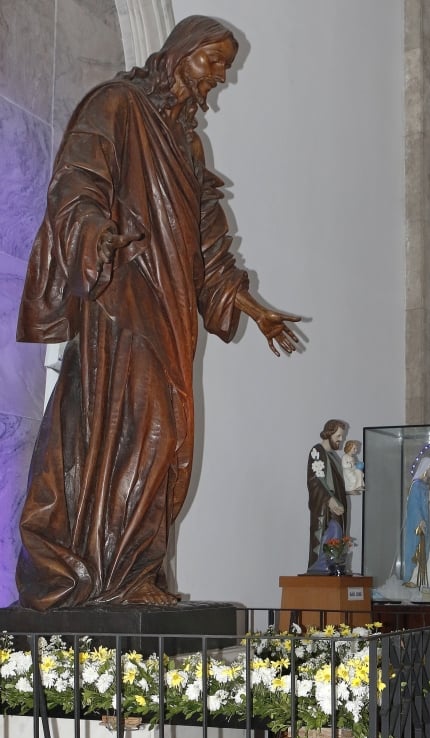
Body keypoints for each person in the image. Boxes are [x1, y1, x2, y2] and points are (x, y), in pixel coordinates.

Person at [15, 16, 301, 609]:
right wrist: (96, 234)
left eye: (225, 65)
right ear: (179, 54)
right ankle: (107, 576)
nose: (219, 77)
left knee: (168, 439)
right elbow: (78, 181)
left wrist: (257, 309)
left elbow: (209, 250)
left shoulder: (189, 145)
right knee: (146, 428)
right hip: (120, 300)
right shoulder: (117, 105)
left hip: (171, 312)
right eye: (213, 62)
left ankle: (133, 571)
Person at [307, 420, 347, 571]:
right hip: (326, 509)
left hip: (336, 508)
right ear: (329, 434)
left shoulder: (333, 456)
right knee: (331, 532)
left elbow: (337, 483)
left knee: (336, 534)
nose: (340, 439)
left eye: (341, 436)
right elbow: (314, 481)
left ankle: (331, 563)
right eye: (338, 435)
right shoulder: (317, 451)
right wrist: (329, 500)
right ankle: (321, 565)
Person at [402, 456, 430, 589]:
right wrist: (419, 520)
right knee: (418, 548)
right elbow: (413, 505)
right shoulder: (416, 486)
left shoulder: (426, 487)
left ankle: (426, 579)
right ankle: (413, 578)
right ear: (425, 469)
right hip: (422, 521)